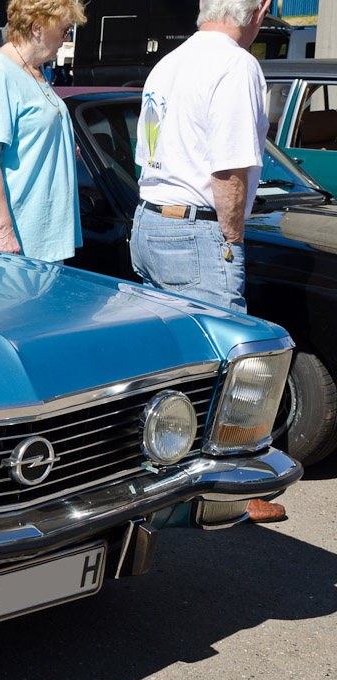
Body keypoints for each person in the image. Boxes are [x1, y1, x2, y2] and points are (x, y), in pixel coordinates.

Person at [130, 0, 286, 523]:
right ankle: (226, 495)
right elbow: (228, 170)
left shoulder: (170, 62)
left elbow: (149, 149)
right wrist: (232, 238)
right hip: (196, 229)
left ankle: (161, 489)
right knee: (231, 363)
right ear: (258, 10)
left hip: (152, 220)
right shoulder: (236, 64)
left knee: (170, 366)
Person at [0, 0, 87, 262]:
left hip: (39, 238)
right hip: (13, 246)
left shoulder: (34, 72)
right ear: (38, 27)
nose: (66, 39)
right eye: (65, 30)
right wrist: (4, 233)